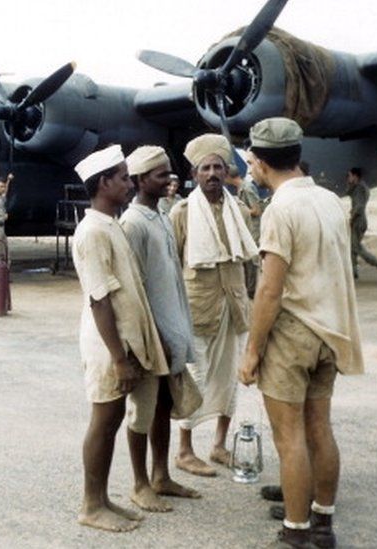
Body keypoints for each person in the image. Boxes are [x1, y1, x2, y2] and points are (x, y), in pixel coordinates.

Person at [239, 118, 364, 549]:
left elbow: (270, 289)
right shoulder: (331, 200)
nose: (250, 165)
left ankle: (295, 534)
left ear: (260, 163)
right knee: (319, 429)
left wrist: (252, 350)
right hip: (330, 331)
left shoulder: (280, 209)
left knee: (288, 436)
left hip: (293, 333)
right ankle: (322, 524)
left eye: (251, 158)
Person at [71, 144, 171, 533]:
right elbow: (99, 301)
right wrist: (118, 357)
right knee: (104, 420)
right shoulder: (93, 232)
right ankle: (91, 505)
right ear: (103, 183)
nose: (130, 184)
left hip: (122, 341)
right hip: (107, 344)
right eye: (124, 178)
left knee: (111, 421)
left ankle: (103, 499)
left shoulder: (109, 224)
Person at [170, 133, 258, 477]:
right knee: (196, 377)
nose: (211, 174)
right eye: (205, 168)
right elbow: (174, 265)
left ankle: (220, 445)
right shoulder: (182, 212)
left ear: (226, 171)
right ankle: (185, 450)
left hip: (233, 308)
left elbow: (248, 261)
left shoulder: (239, 210)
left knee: (230, 379)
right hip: (198, 309)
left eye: (217, 167)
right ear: (195, 175)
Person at [119, 145, 202, 512]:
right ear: (139, 181)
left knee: (164, 405)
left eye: (169, 172)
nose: (168, 179)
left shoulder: (161, 216)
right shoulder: (133, 223)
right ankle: (139, 484)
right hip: (151, 339)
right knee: (143, 409)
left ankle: (161, 476)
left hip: (170, 334)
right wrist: (150, 339)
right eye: (159, 174)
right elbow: (133, 290)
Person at [227, 166, 263, 298]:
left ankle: (252, 291)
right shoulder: (241, 189)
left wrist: (239, 210)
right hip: (247, 230)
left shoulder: (247, 188)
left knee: (252, 261)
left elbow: (256, 210)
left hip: (253, 230)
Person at [346, 167, 377, 278]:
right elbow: (348, 193)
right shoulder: (359, 187)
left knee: (356, 247)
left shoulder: (360, 188)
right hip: (360, 219)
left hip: (358, 220)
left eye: (349, 176)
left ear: (355, 176)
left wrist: (352, 219)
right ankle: (353, 272)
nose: (348, 178)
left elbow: (359, 207)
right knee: (352, 246)